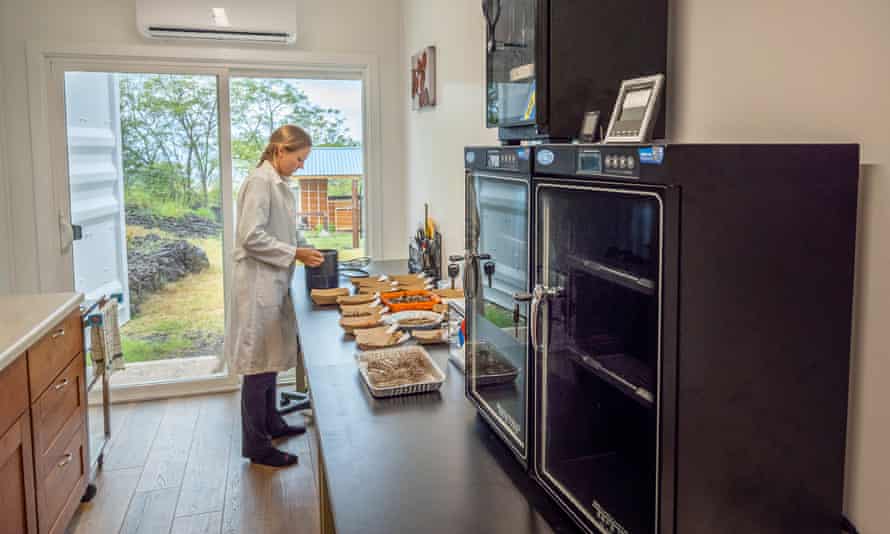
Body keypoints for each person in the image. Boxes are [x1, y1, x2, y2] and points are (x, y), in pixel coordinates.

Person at [224, 124, 324, 467]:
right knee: (256, 365)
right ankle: (257, 445)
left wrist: (305, 247)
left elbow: (284, 229)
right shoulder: (260, 182)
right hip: (257, 283)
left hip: (273, 279)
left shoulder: (277, 185)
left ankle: (272, 422)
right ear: (280, 151)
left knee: (267, 359)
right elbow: (251, 236)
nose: (302, 165)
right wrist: (295, 253)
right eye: (299, 158)